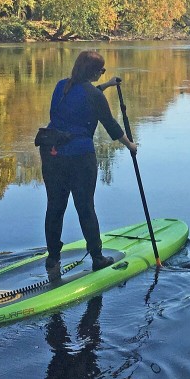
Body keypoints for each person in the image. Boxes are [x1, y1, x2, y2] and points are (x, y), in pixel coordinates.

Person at [40, 50, 137, 276]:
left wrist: (107, 86)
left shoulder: (61, 86)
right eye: (101, 71)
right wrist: (130, 145)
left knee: (55, 207)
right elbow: (110, 125)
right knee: (85, 208)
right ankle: (97, 257)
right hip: (80, 159)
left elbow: (82, 99)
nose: (102, 74)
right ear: (94, 72)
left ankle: (52, 259)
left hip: (52, 155)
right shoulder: (93, 96)